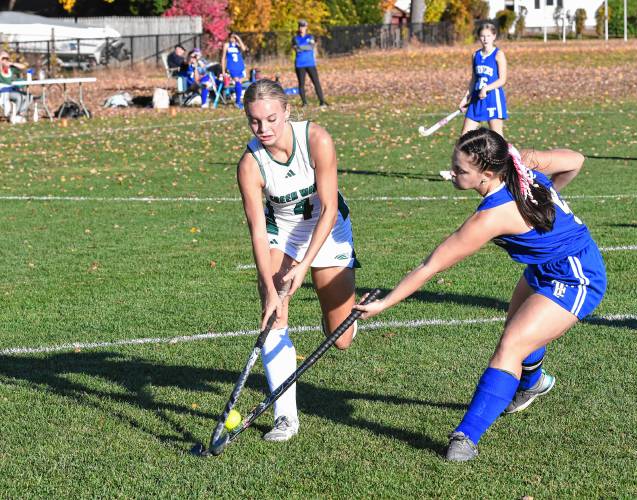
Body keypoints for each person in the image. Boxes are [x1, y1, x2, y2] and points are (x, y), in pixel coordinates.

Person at [355, 128, 607, 462]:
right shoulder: (522, 164)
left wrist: (386, 302)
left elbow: (431, 265)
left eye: (460, 170)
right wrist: (547, 200)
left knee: (511, 346)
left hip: (576, 277)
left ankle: (466, 436)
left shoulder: (490, 217)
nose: (453, 173)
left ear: (487, 174)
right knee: (515, 333)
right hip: (543, 267)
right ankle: (532, 382)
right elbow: (575, 160)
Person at [237, 79, 358, 441]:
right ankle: (285, 418)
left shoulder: (316, 139)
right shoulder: (250, 164)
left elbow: (329, 207)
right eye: (255, 121)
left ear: (287, 111)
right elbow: (258, 231)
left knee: (342, 338)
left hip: (329, 229)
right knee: (274, 315)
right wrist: (272, 290)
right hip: (283, 235)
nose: (264, 129)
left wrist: (304, 267)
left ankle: (335, 315)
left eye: (271, 119)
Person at [459, 21, 507, 137]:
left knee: (498, 140)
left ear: (494, 36)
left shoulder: (498, 54)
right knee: (464, 139)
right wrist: (465, 98)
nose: (485, 39)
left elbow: (502, 80)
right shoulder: (476, 55)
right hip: (476, 99)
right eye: (482, 36)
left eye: (488, 36)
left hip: (492, 99)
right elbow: (474, 79)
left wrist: (486, 88)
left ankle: (511, 155)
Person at [291, 20, 328, 106]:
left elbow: (311, 47)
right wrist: (304, 47)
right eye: (300, 26)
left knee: (316, 82)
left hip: (310, 63)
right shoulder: (295, 38)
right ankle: (304, 103)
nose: (301, 28)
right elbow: (296, 48)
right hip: (300, 64)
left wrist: (301, 47)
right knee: (301, 84)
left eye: (303, 27)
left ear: (306, 28)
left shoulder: (310, 37)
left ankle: (322, 101)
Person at [220, 32, 248, 109]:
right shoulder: (226, 45)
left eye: (234, 38)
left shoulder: (238, 45)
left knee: (239, 84)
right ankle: (238, 102)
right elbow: (223, 58)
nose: (233, 39)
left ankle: (238, 100)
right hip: (231, 67)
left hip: (239, 66)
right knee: (237, 81)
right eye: (231, 37)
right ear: (229, 38)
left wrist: (238, 39)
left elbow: (244, 49)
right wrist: (223, 70)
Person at [0, 50, 30, 120]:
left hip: (10, 90)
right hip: (2, 91)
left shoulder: (10, 68)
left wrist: (12, 63)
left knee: (28, 96)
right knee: (18, 97)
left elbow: (24, 67)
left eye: (7, 58)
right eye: (3, 58)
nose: (5, 60)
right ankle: (14, 116)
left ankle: (19, 114)